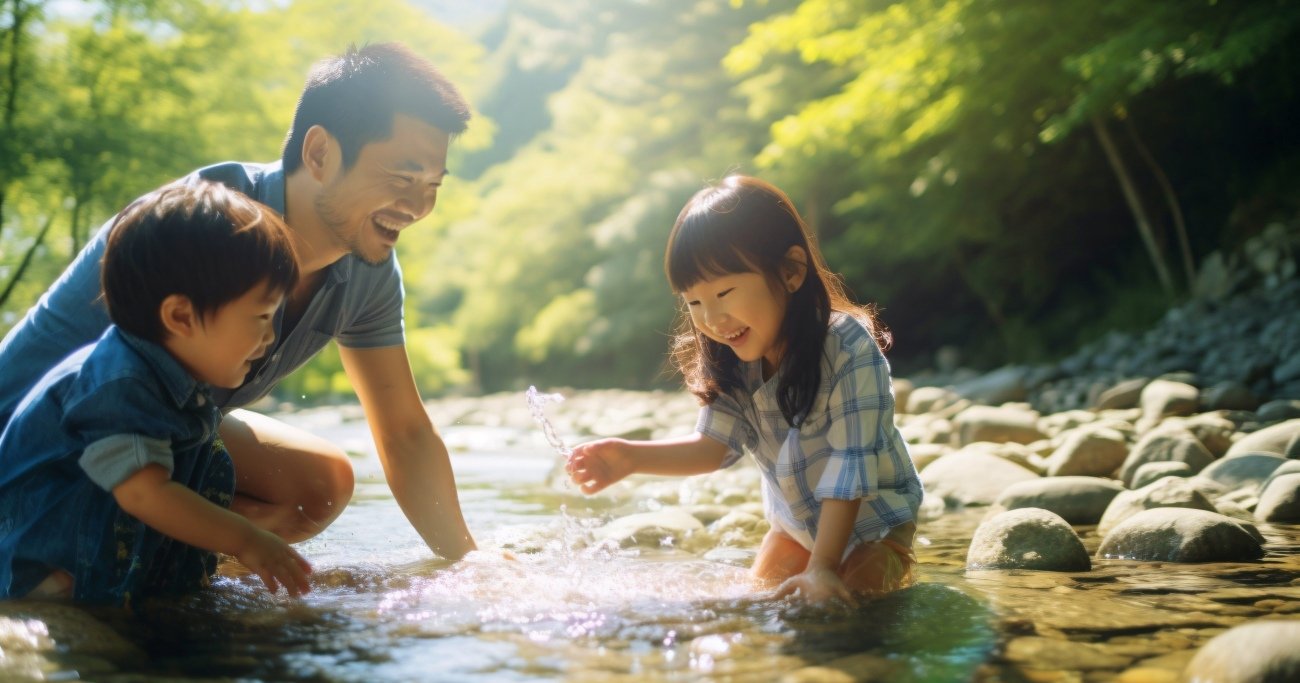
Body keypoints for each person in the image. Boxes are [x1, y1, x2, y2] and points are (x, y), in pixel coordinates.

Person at [0, 43, 477, 562]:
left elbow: (405, 431)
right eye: (402, 178)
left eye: (432, 185)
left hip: (159, 436)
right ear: (319, 154)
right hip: (43, 443)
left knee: (319, 485)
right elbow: (105, 400)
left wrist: (469, 564)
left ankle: (176, 564)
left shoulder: (369, 269)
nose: (418, 206)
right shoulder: (198, 226)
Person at [566, 176, 923, 603]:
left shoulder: (847, 346)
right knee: (751, 603)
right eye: (693, 302)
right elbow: (713, 447)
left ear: (791, 271)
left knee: (855, 600)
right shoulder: (732, 358)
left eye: (723, 292)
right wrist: (629, 457)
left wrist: (823, 568)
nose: (712, 318)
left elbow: (850, 468)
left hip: (875, 523)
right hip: (796, 525)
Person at [0, 181, 311, 604]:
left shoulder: (176, 375)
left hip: (88, 554)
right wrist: (246, 540)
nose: (269, 337)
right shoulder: (117, 384)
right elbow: (144, 494)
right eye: (260, 315)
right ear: (181, 315)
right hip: (40, 576)